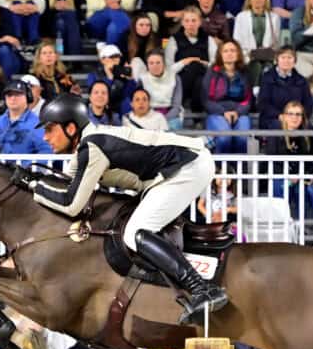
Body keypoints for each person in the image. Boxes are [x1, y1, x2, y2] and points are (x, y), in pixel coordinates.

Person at [29, 94, 226, 323]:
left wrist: (33, 186)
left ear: (71, 128)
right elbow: (67, 187)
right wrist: (39, 184)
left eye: (50, 129)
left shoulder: (91, 147)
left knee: (135, 232)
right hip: (177, 169)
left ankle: (202, 289)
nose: (45, 137)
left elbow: (71, 205)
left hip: (187, 167)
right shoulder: (86, 148)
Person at [166, 7, 219, 114]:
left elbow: (216, 65)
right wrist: (184, 62)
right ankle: (196, 114)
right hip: (182, 79)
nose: (191, 24)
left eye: (194, 20)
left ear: (200, 22)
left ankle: (191, 108)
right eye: (187, 21)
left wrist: (205, 64)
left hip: (203, 78)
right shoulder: (174, 40)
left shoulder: (208, 39)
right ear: (182, 23)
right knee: (193, 67)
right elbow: (168, 69)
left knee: (199, 77)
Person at [202, 39, 252, 153]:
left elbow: (248, 100)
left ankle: (238, 169)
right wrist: (223, 112)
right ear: (220, 54)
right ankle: (220, 168)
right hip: (216, 112)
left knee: (242, 138)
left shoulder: (245, 72)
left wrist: (237, 112)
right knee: (224, 138)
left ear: (238, 53)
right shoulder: (212, 72)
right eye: (225, 51)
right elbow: (206, 100)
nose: (229, 53)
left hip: (240, 112)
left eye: (233, 50)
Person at [233, 0, 282, 87]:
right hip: (248, 56)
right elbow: (236, 42)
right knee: (256, 66)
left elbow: (276, 42)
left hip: (267, 56)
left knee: (268, 68)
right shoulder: (241, 17)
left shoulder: (274, 17)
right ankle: (254, 92)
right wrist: (248, 55)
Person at [257, 46, 313, 128]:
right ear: (277, 60)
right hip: (273, 119)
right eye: (283, 57)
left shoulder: (302, 81)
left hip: (296, 119)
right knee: (278, 126)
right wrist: (280, 116)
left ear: (294, 61)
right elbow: (263, 104)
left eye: (289, 58)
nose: (286, 61)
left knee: (308, 127)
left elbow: (308, 105)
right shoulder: (267, 78)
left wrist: (297, 117)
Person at [0, 77, 53, 154]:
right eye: (9, 95)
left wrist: (30, 165)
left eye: (18, 94)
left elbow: (46, 151)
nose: (13, 98)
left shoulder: (37, 124)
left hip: (26, 166)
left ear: (28, 97)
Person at [140, 49, 185, 129]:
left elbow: (176, 106)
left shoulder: (175, 77)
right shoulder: (142, 79)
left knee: (172, 127)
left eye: (158, 62)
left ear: (164, 64)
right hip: (149, 114)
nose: (155, 66)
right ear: (147, 65)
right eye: (151, 63)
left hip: (171, 115)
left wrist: (162, 119)